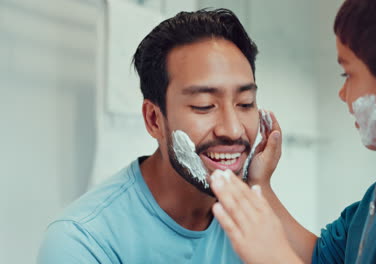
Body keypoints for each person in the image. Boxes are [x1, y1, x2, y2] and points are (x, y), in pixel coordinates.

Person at [209, 0, 376, 263]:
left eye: (348, 75)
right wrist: (260, 184)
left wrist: (274, 257)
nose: (343, 94)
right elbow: (320, 257)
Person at [38, 8, 269, 263]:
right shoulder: (81, 240)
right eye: (204, 105)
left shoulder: (256, 220)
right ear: (153, 119)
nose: (233, 129)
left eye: (246, 103)